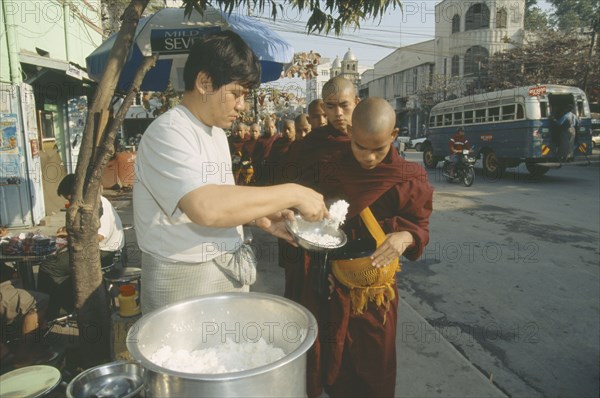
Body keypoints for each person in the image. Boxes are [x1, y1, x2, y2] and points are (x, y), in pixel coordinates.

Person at [133, 31, 328, 314]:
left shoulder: (214, 134)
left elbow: (219, 200)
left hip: (221, 270)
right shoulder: (169, 132)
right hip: (184, 282)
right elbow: (205, 208)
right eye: (236, 94)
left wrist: (260, 218)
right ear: (204, 82)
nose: (242, 106)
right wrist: (293, 193)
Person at [310, 97, 433, 397]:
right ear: (351, 133)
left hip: (377, 295)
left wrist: (405, 237)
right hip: (334, 284)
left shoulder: (408, 177)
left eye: (377, 149)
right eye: (360, 147)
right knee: (336, 364)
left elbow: (420, 226)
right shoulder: (332, 169)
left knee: (375, 368)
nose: (367, 158)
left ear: (394, 136)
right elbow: (312, 212)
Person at [37, 174, 124, 319]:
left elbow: (98, 237)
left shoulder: (100, 203)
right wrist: (67, 230)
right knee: (57, 259)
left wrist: (71, 237)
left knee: (49, 266)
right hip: (97, 248)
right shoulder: (88, 204)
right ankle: (63, 302)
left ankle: (50, 310)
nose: (70, 203)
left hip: (105, 251)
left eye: (70, 198)